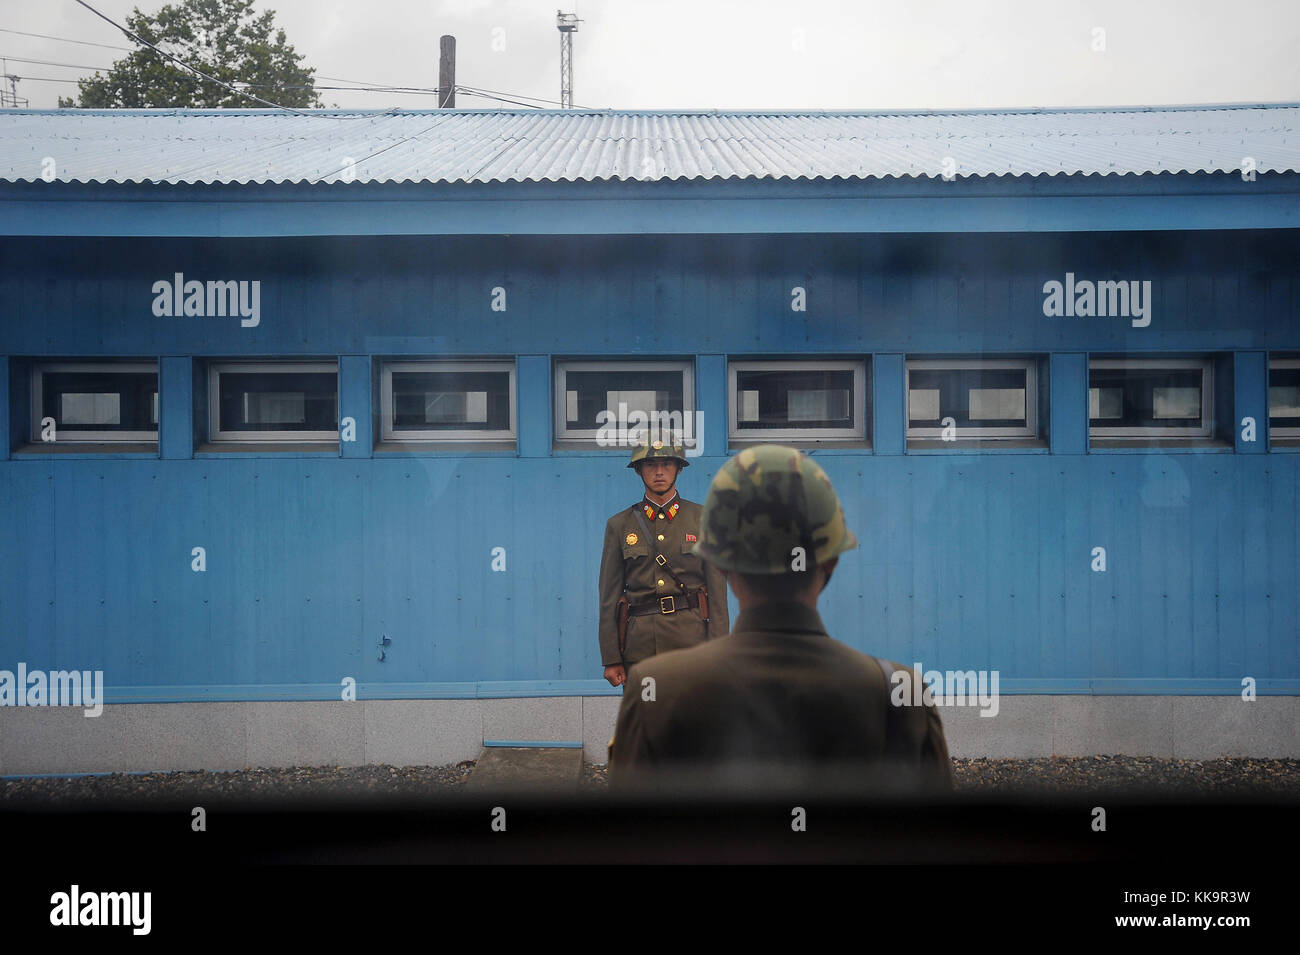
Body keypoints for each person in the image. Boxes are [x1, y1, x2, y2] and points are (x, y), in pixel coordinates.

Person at [608, 443, 953, 790]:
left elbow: (631, 836)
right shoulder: (902, 693)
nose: (659, 471)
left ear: (722, 564)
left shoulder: (657, 690)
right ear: (832, 560)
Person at [597, 435, 729, 689]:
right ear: (638, 470)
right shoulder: (620, 525)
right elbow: (609, 598)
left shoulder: (704, 520)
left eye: (667, 464)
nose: (659, 472)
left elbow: (718, 595)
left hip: (692, 644)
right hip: (640, 647)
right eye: (650, 465)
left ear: (679, 468)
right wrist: (611, 657)